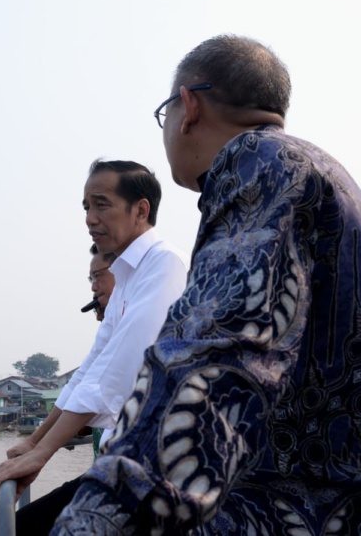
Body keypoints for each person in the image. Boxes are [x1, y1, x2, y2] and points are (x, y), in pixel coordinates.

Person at [53, 35, 361, 534]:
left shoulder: (260, 164)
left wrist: (100, 516)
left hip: (291, 508)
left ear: (187, 106)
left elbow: (210, 358)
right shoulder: (324, 170)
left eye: (164, 114)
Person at [0, 160, 189, 535]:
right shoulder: (128, 278)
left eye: (101, 205)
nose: (89, 218)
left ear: (141, 210)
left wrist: (43, 454)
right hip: (120, 463)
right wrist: (34, 442)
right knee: (27, 525)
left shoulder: (164, 265)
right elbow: (90, 370)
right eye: (86, 207)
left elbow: (119, 371)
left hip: (152, 468)